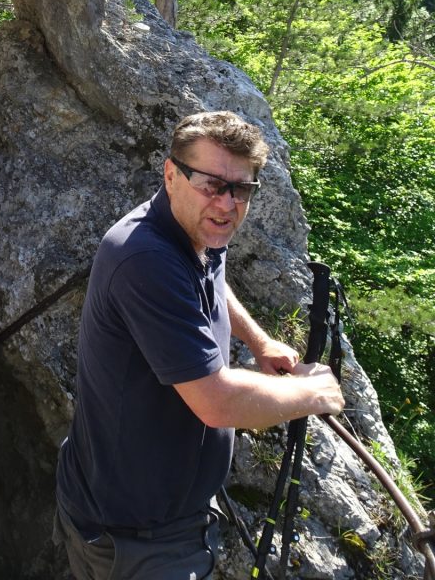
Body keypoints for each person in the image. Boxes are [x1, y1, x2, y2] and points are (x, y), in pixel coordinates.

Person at [55, 110, 344, 580]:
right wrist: (313, 393)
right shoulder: (146, 257)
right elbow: (216, 402)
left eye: (242, 189)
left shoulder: (195, 229)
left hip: (128, 499)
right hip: (137, 533)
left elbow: (213, 278)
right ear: (172, 174)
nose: (228, 205)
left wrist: (260, 340)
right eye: (212, 184)